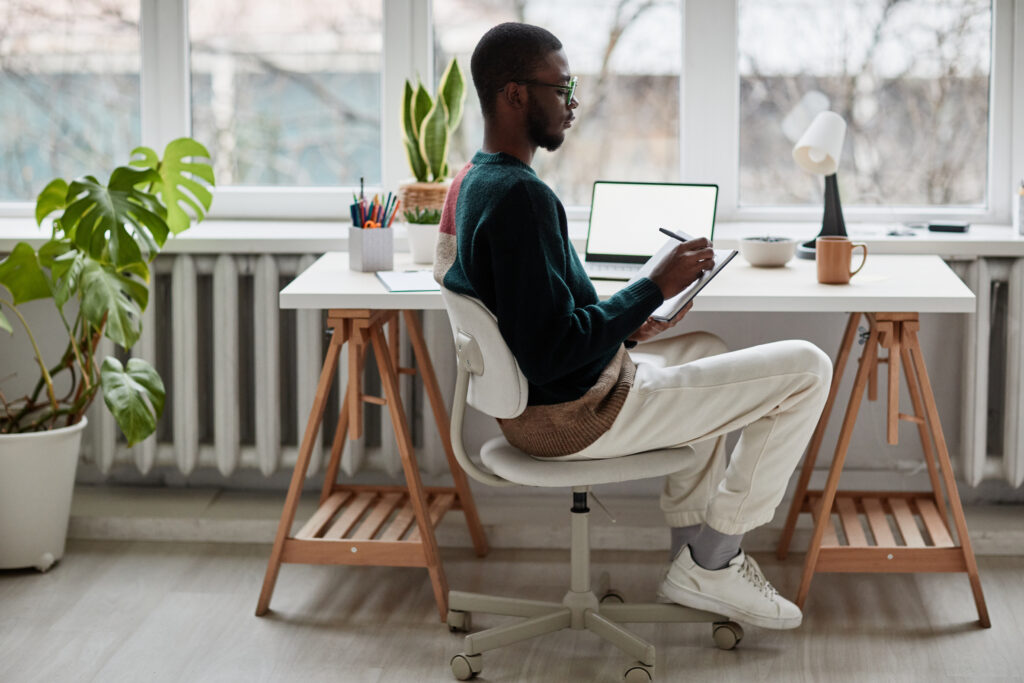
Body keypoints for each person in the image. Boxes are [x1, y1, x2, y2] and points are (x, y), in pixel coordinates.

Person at [434, 22, 833, 631]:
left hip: (553, 401)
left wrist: (624, 326)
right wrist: (653, 286)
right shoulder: (521, 198)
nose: (572, 103)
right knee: (807, 368)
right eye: (561, 87)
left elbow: (543, 328)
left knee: (704, 346)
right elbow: (549, 354)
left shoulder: (477, 180)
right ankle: (716, 560)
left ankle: (687, 559)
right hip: (571, 417)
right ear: (514, 95)